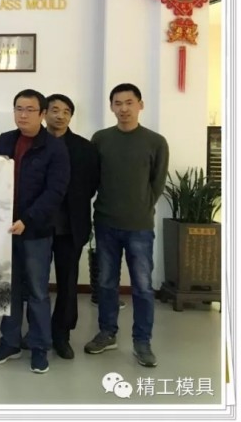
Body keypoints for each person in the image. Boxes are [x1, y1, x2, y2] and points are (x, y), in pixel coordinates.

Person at [84, 83, 169, 368]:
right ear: (111, 107)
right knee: (106, 283)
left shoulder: (156, 142)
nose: (123, 108)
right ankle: (107, 333)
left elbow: (157, 184)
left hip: (139, 227)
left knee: (143, 287)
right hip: (105, 222)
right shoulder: (101, 139)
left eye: (129, 102)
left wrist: (140, 208)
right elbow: (93, 178)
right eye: (118, 103)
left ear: (140, 105)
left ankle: (142, 342)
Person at [0, 89, 69, 374]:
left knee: (37, 291)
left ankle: (40, 347)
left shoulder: (54, 147)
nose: (23, 114)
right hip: (5, 229)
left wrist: (28, 219)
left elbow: (55, 191)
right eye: (18, 108)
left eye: (30, 109)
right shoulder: (5, 140)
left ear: (42, 114)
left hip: (36, 231)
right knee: (9, 289)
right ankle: (9, 343)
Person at [43, 93, 99, 359]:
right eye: (55, 110)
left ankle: (61, 334)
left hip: (71, 225)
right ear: (44, 113)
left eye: (66, 111)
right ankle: (36, 331)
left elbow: (91, 185)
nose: (60, 115)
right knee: (35, 283)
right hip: (37, 225)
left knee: (67, 283)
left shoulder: (84, 148)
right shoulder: (34, 142)